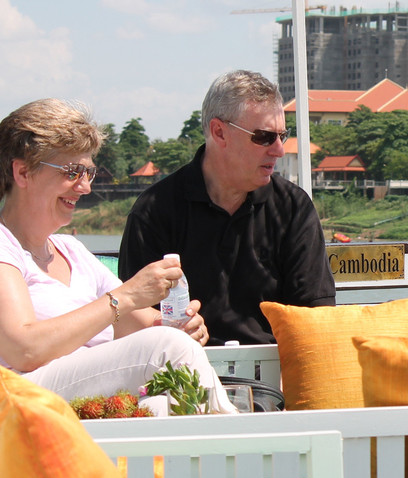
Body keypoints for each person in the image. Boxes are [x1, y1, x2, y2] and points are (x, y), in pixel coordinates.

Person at [0, 99, 236, 414]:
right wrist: (123, 298)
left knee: (161, 399)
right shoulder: (5, 245)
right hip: (23, 402)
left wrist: (179, 325)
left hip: (83, 404)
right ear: (23, 172)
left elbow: (143, 328)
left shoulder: (72, 252)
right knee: (167, 348)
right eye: (72, 172)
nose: (84, 187)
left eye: (89, 172)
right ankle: (240, 441)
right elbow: (23, 350)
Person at [119, 70, 336, 345]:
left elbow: (316, 316)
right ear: (219, 132)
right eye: (265, 137)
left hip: (276, 376)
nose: (279, 150)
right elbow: (131, 314)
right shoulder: (154, 211)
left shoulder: (293, 208)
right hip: (186, 375)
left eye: (283, 135)